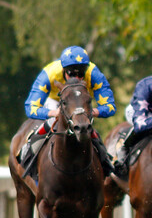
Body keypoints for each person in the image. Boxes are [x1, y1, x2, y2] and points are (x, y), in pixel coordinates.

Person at [19, 45, 116, 175]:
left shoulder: (94, 73)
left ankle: (106, 164)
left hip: (81, 103)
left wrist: (91, 112)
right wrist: (53, 113)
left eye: (81, 74)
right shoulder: (49, 73)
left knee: (87, 127)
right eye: (71, 73)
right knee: (51, 122)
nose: (76, 77)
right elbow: (30, 108)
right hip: (55, 101)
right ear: (63, 70)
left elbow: (110, 107)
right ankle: (28, 155)